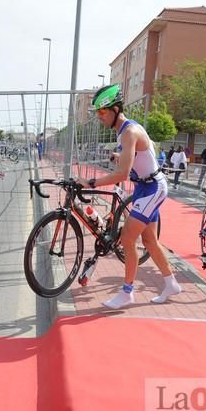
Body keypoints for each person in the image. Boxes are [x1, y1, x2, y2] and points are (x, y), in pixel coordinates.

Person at [78, 84, 181, 309]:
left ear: (116, 109)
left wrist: (91, 182)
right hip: (144, 188)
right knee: (149, 241)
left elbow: (122, 175)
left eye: (102, 112)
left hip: (153, 188)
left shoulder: (129, 131)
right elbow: (136, 157)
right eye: (97, 113)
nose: (99, 117)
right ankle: (171, 283)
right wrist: (121, 155)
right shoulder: (123, 131)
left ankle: (127, 292)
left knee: (127, 238)